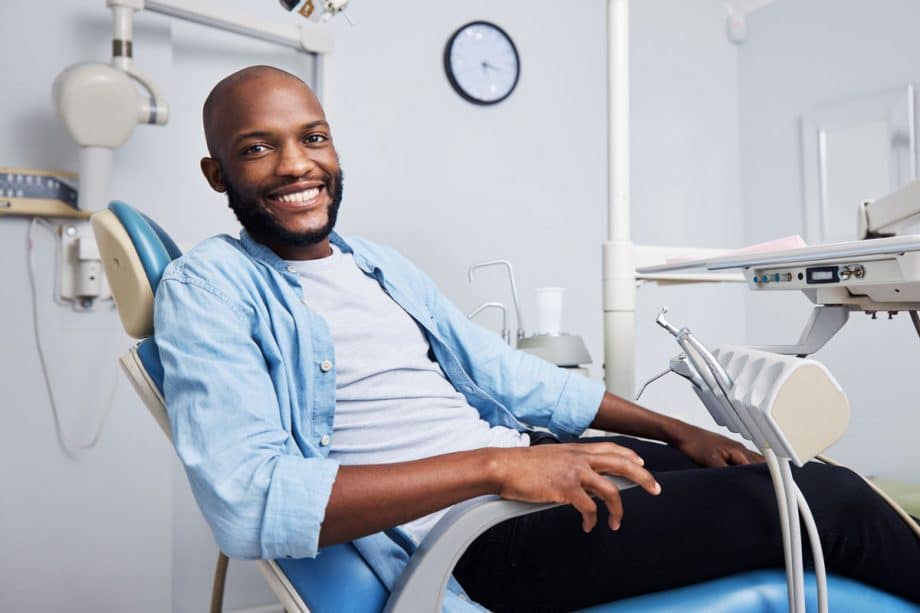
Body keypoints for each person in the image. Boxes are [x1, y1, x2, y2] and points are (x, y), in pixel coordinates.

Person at [154, 65, 920, 612]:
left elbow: (510, 375)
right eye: (258, 147)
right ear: (216, 174)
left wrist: (679, 430)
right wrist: (497, 467)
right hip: (480, 539)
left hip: (520, 478)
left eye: (312, 137)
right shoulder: (209, 288)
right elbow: (251, 504)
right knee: (836, 504)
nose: (297, 165)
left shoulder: (372, 264)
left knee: (792, 471)